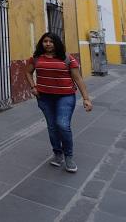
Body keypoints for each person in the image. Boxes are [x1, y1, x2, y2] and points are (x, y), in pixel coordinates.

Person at [24, 32, 92, 173]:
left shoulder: (67, 59)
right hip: (44, 98)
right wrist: (33, 86)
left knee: (62, 125)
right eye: (45, 41)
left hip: (65, 97)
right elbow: (27, 72)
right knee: (52, 127)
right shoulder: (36, 58)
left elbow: (78, 79)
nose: (48, 44)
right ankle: (58, 154)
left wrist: (86, 98)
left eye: (51, 41)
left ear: (56, 43)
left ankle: (68, 156)